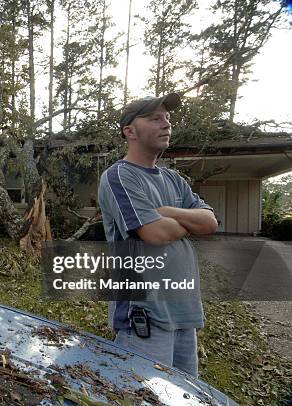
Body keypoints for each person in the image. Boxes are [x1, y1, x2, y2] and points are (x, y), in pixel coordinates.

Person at [97, 92, 218, 377]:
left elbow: (210, 223)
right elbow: (153, 233)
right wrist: (187, 221)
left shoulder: (174, 179)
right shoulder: (119, 177)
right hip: (145, 320)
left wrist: (167, 211)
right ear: (130, 131)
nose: (166, 124)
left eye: (167, 119)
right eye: (155, 118)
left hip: (184, 317)